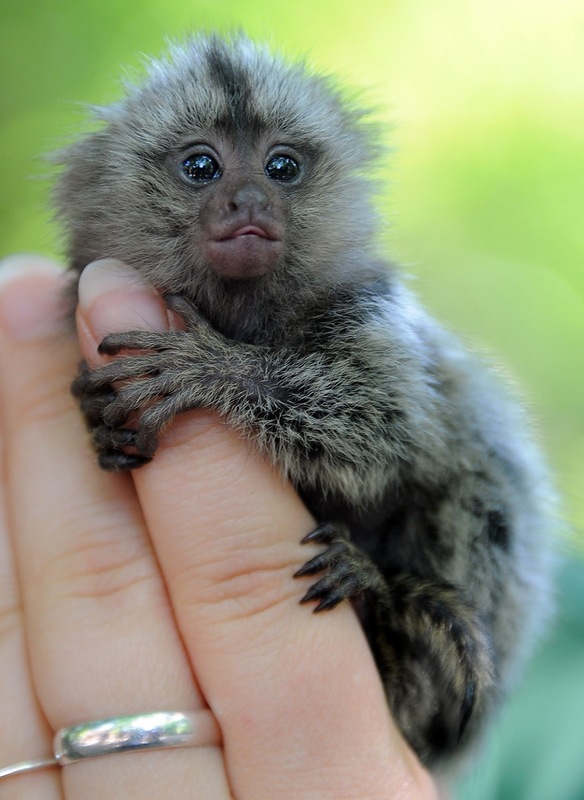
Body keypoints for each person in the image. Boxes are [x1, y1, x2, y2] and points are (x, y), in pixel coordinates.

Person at [0, 254, 438, 799]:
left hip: (405, 580)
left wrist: (225, 372)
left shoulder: (357, 296)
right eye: (200, 166)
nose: (246, 200)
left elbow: (376, 446)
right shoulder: (70, 324)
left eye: (283, 166)